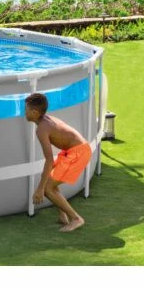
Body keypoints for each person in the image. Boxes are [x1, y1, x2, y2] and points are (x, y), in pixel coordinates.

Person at [25, 92, 92, 232]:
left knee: (47, 188)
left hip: (78, 153)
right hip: (73, 151)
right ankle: (62, 215)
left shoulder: (41, 130)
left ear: (34, 112)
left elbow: (49, 159)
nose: (24, 112)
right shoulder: (46, 120)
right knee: (49, 178)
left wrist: (40, 189)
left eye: (26, 109)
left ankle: (76, 218)